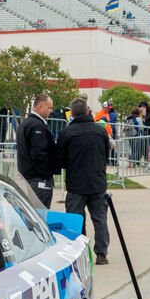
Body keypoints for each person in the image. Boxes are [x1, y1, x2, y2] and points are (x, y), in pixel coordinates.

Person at [55, 97, 111, 265]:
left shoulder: (67, 132)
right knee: (100, 219)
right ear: (88, 111)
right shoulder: (99, 130)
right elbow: (106, 154)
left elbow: (60, 159)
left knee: (75, 220)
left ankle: (80, 253)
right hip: (97, 182)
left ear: (71, 113)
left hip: (76, 184)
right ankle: (101, 253)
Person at [16, 93, 57, 207]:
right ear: (41, 107)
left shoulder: (26, 122)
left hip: (31, 176)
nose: (51, 111)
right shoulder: (36, 125)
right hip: (38, 178)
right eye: (49, 108)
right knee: (40, 213)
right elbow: (39, 153)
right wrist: (45, 174)